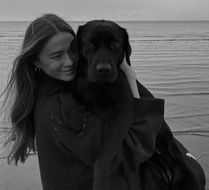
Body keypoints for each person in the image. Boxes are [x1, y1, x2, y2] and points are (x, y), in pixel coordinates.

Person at [1, 14, 165, 190]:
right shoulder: (60, 108)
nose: (70, 61)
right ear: (36, 61)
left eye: (72, 51)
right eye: (57, 56)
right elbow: (128, 153)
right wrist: (131, 81)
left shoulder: (63, 88)